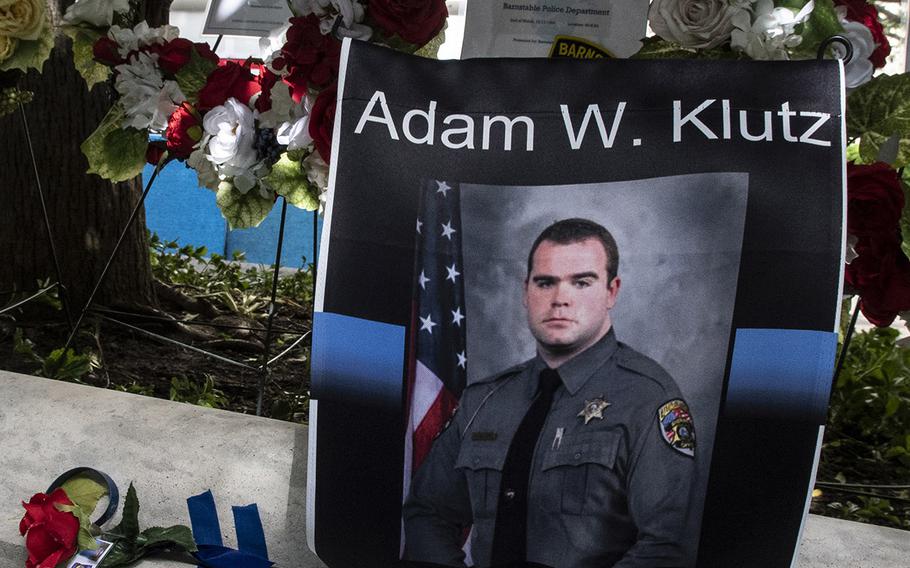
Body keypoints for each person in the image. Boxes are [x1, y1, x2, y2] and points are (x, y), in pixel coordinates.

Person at [402, 218, 697, 568]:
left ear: (611, 291)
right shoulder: (485, 400)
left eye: (582, 282)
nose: (560, 299)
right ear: (526, 291)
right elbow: (428, 512)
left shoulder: (650, 400)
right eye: (546, 283)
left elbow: (666, 547)